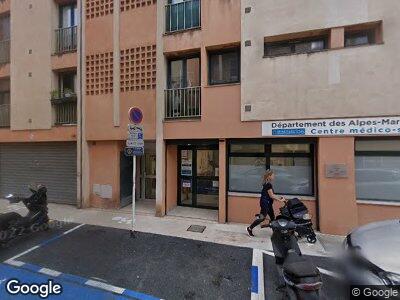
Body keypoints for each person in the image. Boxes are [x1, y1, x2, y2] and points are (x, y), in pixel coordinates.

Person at [247, 170, 286, 237]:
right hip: (265, 204)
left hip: (267, 203)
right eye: (273, 175)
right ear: (269, 176)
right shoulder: (268, 184)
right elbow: (271, 196)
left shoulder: (266, 183)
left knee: (273, 218)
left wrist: (279, 197)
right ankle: (249, 228)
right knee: (262, 218)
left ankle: (275, 233)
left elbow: (271, 194)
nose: (274, 176)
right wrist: (280, 200)